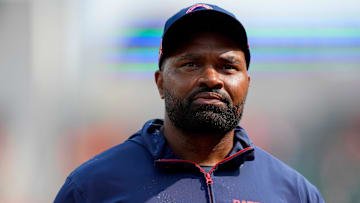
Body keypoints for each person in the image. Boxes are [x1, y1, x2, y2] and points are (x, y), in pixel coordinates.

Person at [54, 3, 324, 203]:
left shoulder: (293, 192)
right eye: (191, 64)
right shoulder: (93, 187)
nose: (211, 78)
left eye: (227, 66)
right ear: (160, 82)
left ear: (247, 83)